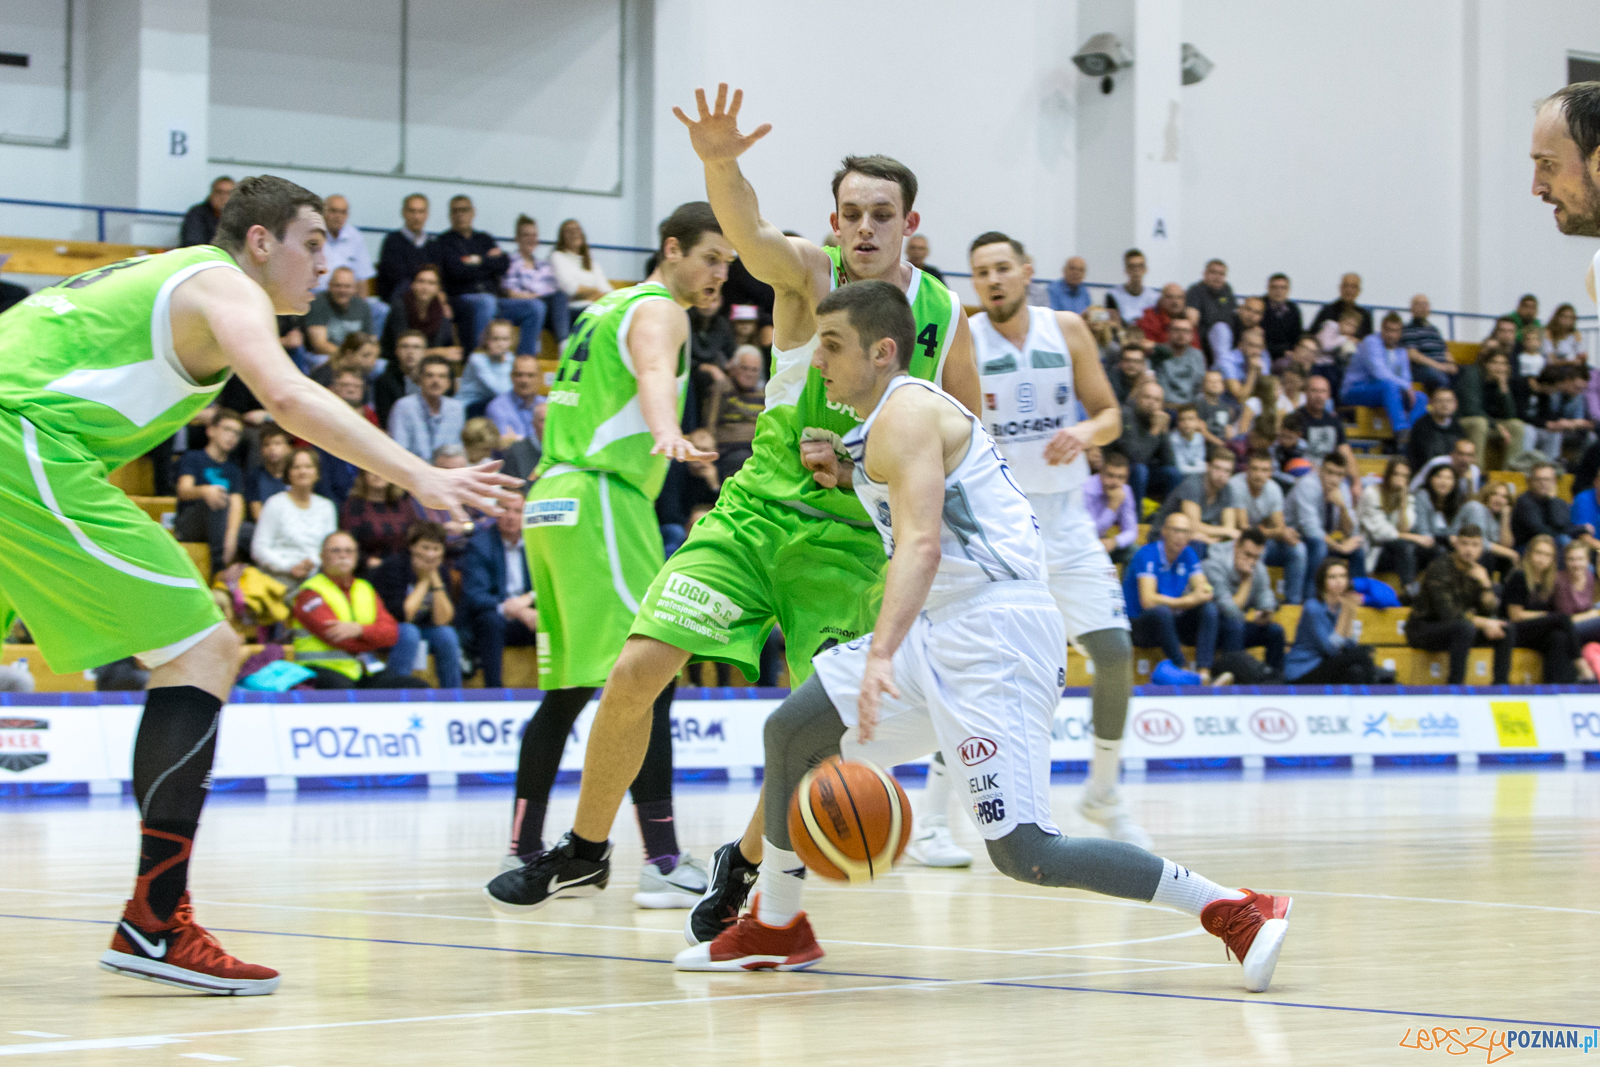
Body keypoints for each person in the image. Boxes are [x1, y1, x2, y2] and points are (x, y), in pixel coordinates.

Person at [672, 277, 1291, 991]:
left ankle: (1234, 909)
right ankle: (776, 927)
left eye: (832, 346)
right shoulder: (893, 421)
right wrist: (846, 475)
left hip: (994, 637)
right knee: (792, 731)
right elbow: (931, 501)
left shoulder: (904, 414)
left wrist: (877, 653)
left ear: (881, 351)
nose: (819, 362)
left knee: (1027, 851)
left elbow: (924, 544)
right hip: (944, 627)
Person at [0, 175, 518, 994]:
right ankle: (155, 919)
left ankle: (153, 917)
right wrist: (421, 473)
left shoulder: (167, 283)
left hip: (25, 439)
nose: (325, 263)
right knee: (205, 648)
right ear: (261, 241)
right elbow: (287, 397)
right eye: (313, 243)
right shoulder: (221, 283)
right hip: (19, 441)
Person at [487, 86, 982, 923]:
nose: (864, 227)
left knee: (813, 728)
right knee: (637, 667)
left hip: (853, 546)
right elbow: (749, 233)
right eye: (851, 212)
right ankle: (585, 848)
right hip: (755, 517)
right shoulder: (810, 277)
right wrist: (722, 163)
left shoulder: (944, 314)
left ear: (909, 223)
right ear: (832, 223)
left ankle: (742, 864)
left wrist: (866, 460)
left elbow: (968, 438)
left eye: (881, 214)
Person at [487, 201, 736, 913]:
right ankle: (661, 860)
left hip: (552, 497)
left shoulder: (602, 308)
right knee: (650, 674)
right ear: (672, 249)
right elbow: (656, 373)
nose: (719, 273)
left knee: (567, 689)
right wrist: (669, 430)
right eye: (710, 257)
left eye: (727, 263)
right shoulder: (661, 308)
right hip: (602, 496)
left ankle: (525, 846)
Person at [961, 231, 1145, 851]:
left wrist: (1086, 432)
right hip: (1002, 523)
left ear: (1027, 272)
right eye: (981, 272)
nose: (993, 280)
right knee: (979, 668)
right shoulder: (965, 337)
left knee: (1115, 652)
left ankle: (1103, 793)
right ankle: (937, 817)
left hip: (1067, 520)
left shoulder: (1065, 328)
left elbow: (1111, 413)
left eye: (1002, 268)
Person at [288, 531, 428, 689]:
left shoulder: (365, 588)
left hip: (362, 669)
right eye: (336, 550)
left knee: (417, 687)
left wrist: (360, 630)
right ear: (322, 556)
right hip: (320, 670)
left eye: (349, 551)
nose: (343, 555)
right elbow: (336, 636)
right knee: (345, 691)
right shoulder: (310, 592)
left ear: (356, 556)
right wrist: (372, 639)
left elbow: (392, 634)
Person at [1406, 524, 1513, 685]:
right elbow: (1449, 614)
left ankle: (1500, 688)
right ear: (1456, 544)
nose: (1469, 550)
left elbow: (1490, 609)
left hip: (1459, 629)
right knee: (1464, 628)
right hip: (1424, 628)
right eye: (1464, 543)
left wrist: (1485, 584)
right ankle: (1456, 687)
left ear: (1481, 548)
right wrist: (1484, 623)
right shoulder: (1440, 568)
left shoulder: (1478, 572)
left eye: (1474, 545)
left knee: (1505, 629)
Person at [1123, 511, 1221, 683]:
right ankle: (1182, 669)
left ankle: (1204, 670)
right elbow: (1148, 600)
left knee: (1209, 609)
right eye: (1176, 530)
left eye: (1185, 532)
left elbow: (1204, 590)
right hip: (1139, 624)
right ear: (1164, 531)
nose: (1180, 536)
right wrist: (1186, 601)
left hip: (1169, 620)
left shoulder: (1189, 554)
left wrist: (1202, 591)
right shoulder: (1147, 554)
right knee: (1161, 612)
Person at [371, 522, 463, 688]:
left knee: (447, 634)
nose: (430, 554)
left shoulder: (441, 571)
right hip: (392, 627)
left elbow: (443, 620)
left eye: (436, 549)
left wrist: (434, 580)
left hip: (424, 628)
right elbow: (403, 615)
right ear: (412, 547)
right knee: (409, 632)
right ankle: (397, 690)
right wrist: (424, 581)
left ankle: (453, 695)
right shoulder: (395, 566)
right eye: (425, 547)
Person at [459, 506, 539, 689]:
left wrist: (529, 600)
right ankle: (494, 690)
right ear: (493, 513)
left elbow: (552, 582)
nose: (511, 516)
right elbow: (475, 595)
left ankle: (561, 689)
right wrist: (511, 609)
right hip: (495, 614)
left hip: (529, 612)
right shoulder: (480, 544)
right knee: (491, 621)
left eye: (517, 511)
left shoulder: (538, 543)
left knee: (554, 619)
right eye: (504, 510)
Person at [435, 195, 525, 352]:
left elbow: (503, 264)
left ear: (473, 212)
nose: (460, 214)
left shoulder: (485, 239)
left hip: (494, 298)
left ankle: (526, 358)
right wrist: (487, 261)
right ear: (450, 215)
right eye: (455, 211)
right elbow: (456, 271)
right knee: (485, 302)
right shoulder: (443, 242)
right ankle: (481, 356)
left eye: (465, 210)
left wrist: (476, 262)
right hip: (462, 300)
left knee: (535, 307)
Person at [1283, 559, 1384, 684]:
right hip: (1304, 669)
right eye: (1332, 577)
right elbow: (1331, 649)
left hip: (1327, 664)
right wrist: (1346, 614)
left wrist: (1349, 614)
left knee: (1355, 671)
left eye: (1343, 576)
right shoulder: (1312, 607)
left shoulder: (1342, 606)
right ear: (1323, 582)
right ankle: (1373, 694)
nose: (1339, 581)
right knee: (1360, 656)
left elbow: (1349, 644)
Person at [1226, 449, 1307, 603]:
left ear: (1270, 473)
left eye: (1264, 470)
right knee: (1257, 550)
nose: (1259, 474)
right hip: (1236, 543)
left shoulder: (1273, 489)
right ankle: (1255, 601)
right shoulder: (1236, 485)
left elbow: (1280, 528)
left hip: (1261, 540)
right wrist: (1273, 532)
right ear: (1247, 470)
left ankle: (1293, 603)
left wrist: (1279, 533)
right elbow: (1245, 529)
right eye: (1255, 469)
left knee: (1299, 549)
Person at [250, 448, 338, 588]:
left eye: (308, 467)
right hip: (276, 581)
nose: (302, 471)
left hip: (315, 580)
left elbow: (330, 547)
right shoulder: (275, 503)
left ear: (317, 473)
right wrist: (289, 567)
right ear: (288, 474)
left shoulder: (327, 507)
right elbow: (259, 548)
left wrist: (311, 564)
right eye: (296, 467)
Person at [1203, 529, 1285, 678]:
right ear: (1236, 547)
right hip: (1209, 628)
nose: (1252, 562)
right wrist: (1247, 580)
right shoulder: (1214, 564)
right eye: (1247, 555)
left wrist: (1266, 613)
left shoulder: (1258, 568)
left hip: (1236, 627)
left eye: (1256, 557)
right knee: (1235, 625)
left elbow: (1266, 596)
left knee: (1275, 632)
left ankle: (1275, 683)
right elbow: (1229, 611)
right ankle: (1233, 680)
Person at [1502, 534, 1583, 683]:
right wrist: (1544, 615)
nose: (1541, 559)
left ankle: (1558, 686)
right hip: (1516, 630)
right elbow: (1515, 615)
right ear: (1529, 553)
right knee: (1562, 619)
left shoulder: (1549, 582)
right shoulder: (1519, 576)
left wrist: (1547, 617)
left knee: (1559, 638)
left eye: (1547, 555)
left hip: (1536, 632)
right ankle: (1581, 664)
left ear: (1553, 559)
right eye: (1538, 553)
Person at [173, 408, 246, 574]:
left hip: (220, 526)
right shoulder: (193, 458)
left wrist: (232, 536)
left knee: (250, 530)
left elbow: (236, 504)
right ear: (211, 430)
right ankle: (218, 570)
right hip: (190, 524)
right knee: (217, 499)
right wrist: (205, 491)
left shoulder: (233, 469)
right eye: (227, 429)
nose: (232, 436)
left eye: (237, 433)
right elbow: (183, 491)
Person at [1341, 312, 1427, 438]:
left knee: (1421, 397)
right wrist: (1405, 387)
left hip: (1385, 392)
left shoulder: (1401, 351)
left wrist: (1407, 387)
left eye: (1395, 331)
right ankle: (1401, 431)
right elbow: (1379, 372)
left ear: (1400, 333)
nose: (1391, 335)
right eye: (1388, 330)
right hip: (1355, 390)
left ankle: (1413, 436)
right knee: (1389, 385)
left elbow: (1406, 378)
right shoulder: (1370, 342)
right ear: (1382, 329)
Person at [1286, 453, 1364, 592]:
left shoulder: (1342, 488)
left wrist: (1343, 507)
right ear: (1320, 471)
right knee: (1319, 546)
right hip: (1295, 537)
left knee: (1357, 549)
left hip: (1323, 539)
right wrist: (1340, 548)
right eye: (1330, 472)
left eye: (1339, 475)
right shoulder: (1307, 485)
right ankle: (1310, 597)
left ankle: (1357, 596)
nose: (1334, 479)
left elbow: (1351, 530)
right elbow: (1311, 530)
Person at [1358, 458, 1427, 599]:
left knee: (1432, 550)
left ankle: (1429, 593)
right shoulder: (1371, 494)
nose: (1400, 479)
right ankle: (1408, 591)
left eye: (1405, 476)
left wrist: (1402, 503)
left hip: (1395, 550)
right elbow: (1382, 533)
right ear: (1388, 474)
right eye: (1397, 474)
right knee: (1406, 546)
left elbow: (1405, 528)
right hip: (1373, 550)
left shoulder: (1406, 497)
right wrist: (1414, 537)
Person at [503, 214, 573, 346]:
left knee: (582, 312)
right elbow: (510, 293)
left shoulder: (544, 265)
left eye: (534, 235)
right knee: (545, 304)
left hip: (548, 307)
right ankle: (564, 345)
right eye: (526, 235)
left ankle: (571, 348)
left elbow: (555, 291)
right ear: (516, 239)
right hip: (525, 306)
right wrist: (536, 297)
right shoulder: (510, 262)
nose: (531, 239)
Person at [1151, 446, 1240, 550]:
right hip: (1163, 537)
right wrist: (1223, 532)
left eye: (1227, 471)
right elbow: (1193, 526)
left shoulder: (1227, 490)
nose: (1221, 475)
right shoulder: (1193, 485)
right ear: (1208, 467)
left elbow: (1229, 527)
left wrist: (1216, 538)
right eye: (1217, 468)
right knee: (1198, 544)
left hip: (1196, 538)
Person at [704, 343, 766, 481]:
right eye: (744, 368)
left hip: (756, 450)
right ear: (734, 368)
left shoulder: (763, 394)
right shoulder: (723, 388)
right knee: (744, 462)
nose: (749, 374)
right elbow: (710, 422)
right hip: (729, 452)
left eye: (754, 370)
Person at [387, 355, 466, 462]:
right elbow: (399, 448)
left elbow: (457, 448)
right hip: (412, 470)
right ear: (420, 380)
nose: (436, 381)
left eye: (442, 376)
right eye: (429, 375)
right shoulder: (404, 406)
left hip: (446, 471)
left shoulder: (456, 408)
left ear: (449, 382)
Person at [380, 265, 461, 367]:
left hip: (429, 365)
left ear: (438, 288)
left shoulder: (441, 310)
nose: (425, 287)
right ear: (412, 285)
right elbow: (403, 349)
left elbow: (448, 347)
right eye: (421, 281)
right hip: (396, 364)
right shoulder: (400, 306)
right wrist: (437, 352)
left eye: (431, 283)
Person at [340, 469, 412, 574]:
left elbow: (413, 538)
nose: (378, 474)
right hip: (368, 569)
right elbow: (349, 541)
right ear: (363, 476)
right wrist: (367, 560)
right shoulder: (353, 506)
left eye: (382, 470)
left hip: (401, 567)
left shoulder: (402, 505)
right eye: (371, 471)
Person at [1118, 378, 1176, 503]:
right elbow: (1136, 458)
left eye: (1157, 400)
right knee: (1140, 470)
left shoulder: (1159, 419)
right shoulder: (1126, 416)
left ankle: (1165, 518)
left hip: (1148, 472)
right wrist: (1155, 430)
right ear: (1137, 398)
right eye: (1147, 397)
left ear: (1162, 405)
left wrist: (1164, 431)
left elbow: (1169, 461)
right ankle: (1137, 521)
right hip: (1124, 471)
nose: (1151, 403)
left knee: (1173, 473)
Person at [313, 196, 377, 305]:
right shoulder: (312, 235)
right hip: (317, 296)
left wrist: (361, 308)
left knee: (381, 311)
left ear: (347, 215)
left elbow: (363, 277)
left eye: (343, 212)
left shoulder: (355, 237)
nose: (338, 216)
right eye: (333, 211)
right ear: (322, 212)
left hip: (348, 298)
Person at [303, 266, 374, 362]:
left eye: (347, 286)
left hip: (356, 358)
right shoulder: (318, 302)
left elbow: (370, 340)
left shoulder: (362, 306)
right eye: (338, 286)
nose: (342, 290)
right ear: (329, 286)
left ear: (355, 288)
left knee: (380, 366)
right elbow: (319, 344)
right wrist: (348, 358)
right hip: (325, 356)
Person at [376, 193, 436, 304]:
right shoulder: (392, 241)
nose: (417, 217)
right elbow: (396, 279)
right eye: (412, 211)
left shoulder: (432, 245)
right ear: (404, 213)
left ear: (427, 214)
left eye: (421, 212)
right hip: (399, 300)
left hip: (427, 301)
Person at [1083, 450, 1139, 565]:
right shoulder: (1085, 489)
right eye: (1110, 475)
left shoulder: (1125, 491)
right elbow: (1091, 533)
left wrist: (1114, 542)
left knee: (1135, 552)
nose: (1115, 482)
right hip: (1082, 545)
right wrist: (1112, 506)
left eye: (1121, 477)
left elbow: (1132, 531)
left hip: (1104, 543)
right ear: (1100, 473)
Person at [550, 218, 613, 315]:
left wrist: (589, 294)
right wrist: (595, 291)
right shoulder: (557, 257)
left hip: (596, 307)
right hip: (573, 311)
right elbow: (570, 289)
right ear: (562, 237)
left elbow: (608, 291)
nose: (574, 233)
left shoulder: (592, 264)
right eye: (569, 231)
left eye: (577, 230)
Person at [457, 318, 517, 412]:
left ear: (511, 341)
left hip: (492, 403)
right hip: (468, 405)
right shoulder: (477, 359)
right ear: (486, 340)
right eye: (495, 339)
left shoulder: (511, 358)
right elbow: (501, 391)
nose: (500, 344)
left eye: (505, 339)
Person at [1511, 462, 1573, 550]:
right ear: (1530, 481)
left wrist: (1553, 500)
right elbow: (1540, 531)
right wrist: (1566, 531)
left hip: (1552, 546)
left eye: (1547, 479)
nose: (1543, 483)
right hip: (1527, 548)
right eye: (1538, 479)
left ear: (1554, 481)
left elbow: (1561, 523)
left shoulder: (1558, 501)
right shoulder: (1524, 501)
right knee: (1563, 540)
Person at [1401, 294, 1457, 392]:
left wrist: (1451, 364)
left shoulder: (1434, 330)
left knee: (1465, 373)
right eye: (1419, 304)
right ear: (1412, 309)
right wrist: (1439, 366)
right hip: (1422, 369)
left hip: (1441, 366)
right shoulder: (1408, 329)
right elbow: (1413, 354)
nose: (1423, 307)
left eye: (1425, 304)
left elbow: (1444, 351)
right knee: (1437, 376)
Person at [1406, 385, 1466, 474]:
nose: (1445, 405)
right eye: (1440, 401)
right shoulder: (1421, 426)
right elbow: (1423, 458)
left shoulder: (1457, 427)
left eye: (1449, 401)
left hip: (1453, 475)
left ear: (1455, 404)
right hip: (1427, 474)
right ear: (1431, 403)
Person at [487, 354, 545, 445]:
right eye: (519, 375)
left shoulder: (547, 405)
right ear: (511, 377)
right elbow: (505, 445)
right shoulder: (497, 407)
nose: (524, 380)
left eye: (530, 375)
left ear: (540, 378)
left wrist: (517, 439)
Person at [1186, 259, 1236, 358]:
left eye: (1221, 274)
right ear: (1205, 274)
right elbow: (1192, 319)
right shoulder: (1196, 291)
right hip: (1205, 338)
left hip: (1227, 338)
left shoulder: (1227, 290)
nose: (1217, 277)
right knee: (1220, 328)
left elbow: (1233, 315)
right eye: (1213, 272)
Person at [1555, 540, 1600, 648]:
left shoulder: (1589, 576)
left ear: (1587, 560)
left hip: (1587, 623)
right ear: (1565, 560)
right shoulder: (1559, 581)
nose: (1576, 564)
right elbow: (1565, 619)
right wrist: (1593, 614)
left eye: (1580, 559)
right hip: (1567, 627)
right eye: (1571, 559)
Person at [1154, 317, 1206, 405]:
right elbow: (1161, 385)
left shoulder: (1197, 355)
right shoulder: (1158, 353)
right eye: (1176, 330)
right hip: (1165, 405)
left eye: (1186, 331)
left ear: (1192, 335)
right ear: (1169, 332)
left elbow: (1199, 386)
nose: (1181, 334)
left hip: (1192, 408)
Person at [1309, 272, 1372, 339]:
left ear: (1359, 291)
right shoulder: (1327, 311)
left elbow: (1367, 340)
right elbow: (1313, 334)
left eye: (1353, 287)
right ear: (1340, 288)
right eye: (1346, 286)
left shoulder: (1365, 315)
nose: (1349, 290)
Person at [1104, 248, 1158, 325]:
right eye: (1132, 267)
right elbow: (1113, 323)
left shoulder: (1154, 297)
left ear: (1145, 269)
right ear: (1126, 270)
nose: (1136, 270)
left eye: (1140, 266)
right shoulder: (1113, 295)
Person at [178, 176, 234, 247]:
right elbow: (194, 243)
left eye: (228, 193)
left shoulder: (240, 217)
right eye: (219, 192)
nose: (223, 197)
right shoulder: (197, 214)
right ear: (211, 194)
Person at [1195, 368, 1244, 448]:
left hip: (1222, 446)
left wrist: (1230, 443)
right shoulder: (1199, 404)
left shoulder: (1226, 407)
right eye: (1211, 382)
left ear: (1223, 386)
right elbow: (1201, 430)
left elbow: (1228, 430)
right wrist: (1221, 444)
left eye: (1218, 382)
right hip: (1206, 446)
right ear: (1203, 385)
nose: (1215, 384)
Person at [1260, 273, 1303, 361]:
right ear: (1268, 288)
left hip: (1287, 356)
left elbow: (1297, 337)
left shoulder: (1293, 309)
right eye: (1274, 287)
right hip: (1262, 352)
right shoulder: (1260, 307)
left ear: (1288, 290)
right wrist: (1281, 351)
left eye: (1283, 288)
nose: (1279, 291)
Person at [1168, 404, 1208, 476]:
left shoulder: (1199, 438)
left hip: (1193, 475)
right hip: (1177, 476)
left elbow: (1199, 462)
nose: (1186, 423)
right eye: (1182, 419)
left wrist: (1203, 468)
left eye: (1190, 419)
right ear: (1177, 423)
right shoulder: (1173, 439)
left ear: (1197, 422)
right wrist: (1205, 468)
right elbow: (1180, 468)